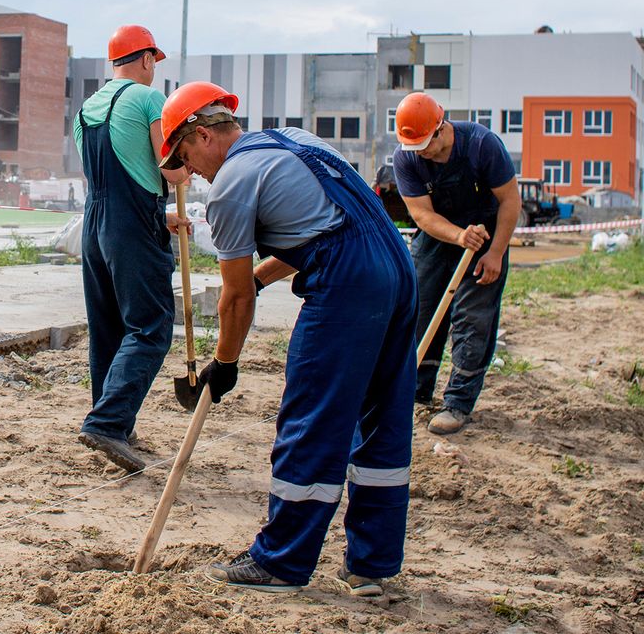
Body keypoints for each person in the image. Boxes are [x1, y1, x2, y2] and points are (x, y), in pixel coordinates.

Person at [157, 81, 417, 596]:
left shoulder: (231, 182)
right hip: (396, 267)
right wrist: (259, 277)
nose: (191, 172)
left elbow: (235, 299)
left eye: (186, 156)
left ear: (204, 135)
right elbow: (323, 230)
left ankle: (280, 562)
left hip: (348, 283)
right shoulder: (296, 140)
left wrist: (224, 363)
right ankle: (373, 565)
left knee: (312, 418)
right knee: (382, 419)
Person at [74, 25, 188, 472]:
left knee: (108, 329)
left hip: (96, 223)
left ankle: (113, 419)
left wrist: (160, 216)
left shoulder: (88, 107)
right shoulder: (148, 99)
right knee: (151, 325)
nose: (154, 70)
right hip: (130, 226)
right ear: (145, 60)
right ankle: (108, 422)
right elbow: (169, 166)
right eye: (154, 63)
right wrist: (185, 173)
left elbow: (113, 179)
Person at [393, 92, 520, 435]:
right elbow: (421, 214)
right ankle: (415, 390)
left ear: (441, 128)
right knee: (418, 308)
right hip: (439, 235)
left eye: (424, 144)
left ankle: (458, 403)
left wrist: (495, 252)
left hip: (487, 235)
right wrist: (458, 235)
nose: (419, 152)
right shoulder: (406, 159)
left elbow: (510, 200)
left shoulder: (481, 145)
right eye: (413, 146)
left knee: (473, 319)